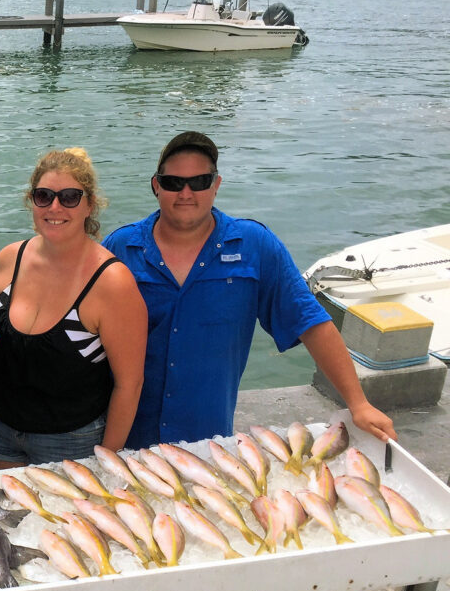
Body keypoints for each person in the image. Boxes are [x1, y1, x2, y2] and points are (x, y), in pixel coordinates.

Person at [102, 131, 397, 449]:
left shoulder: (256, 246)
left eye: (199, 181)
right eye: (174, 182)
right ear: (156, 186)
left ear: (216, 185)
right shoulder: (121, 246)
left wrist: (359, 403)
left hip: (208, 442)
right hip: (122, 437)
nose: (186, 192)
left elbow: (311, 323)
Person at [0, 147, 147, 472]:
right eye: (44, 196)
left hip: (72, 441)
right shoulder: (9, 260)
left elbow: (129, 384)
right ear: (32, 201)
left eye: (69, 197)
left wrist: (105, 464)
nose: (55, 207)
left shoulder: (112, 282)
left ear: (89, 204)